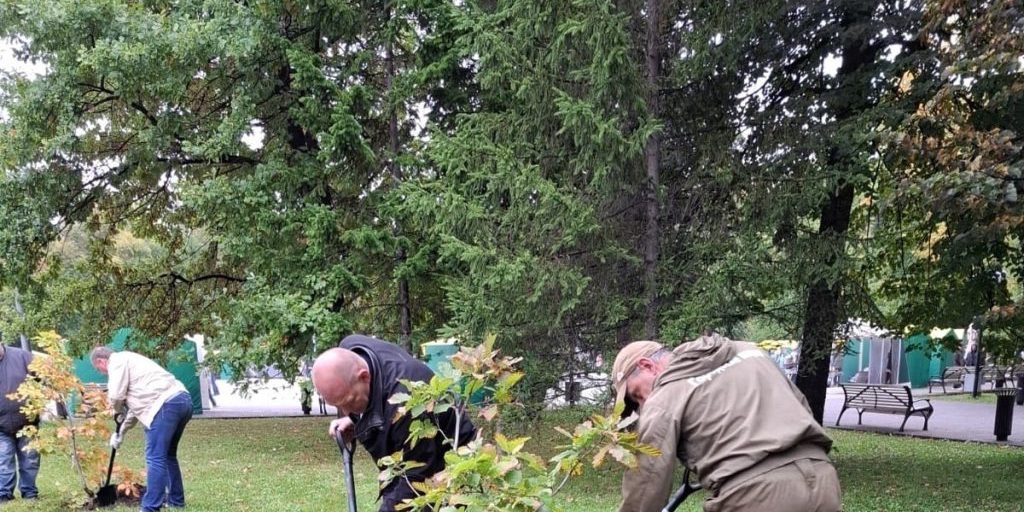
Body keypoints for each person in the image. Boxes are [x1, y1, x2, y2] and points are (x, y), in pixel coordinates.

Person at [612, 334, 841, 512]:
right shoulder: (750, 352)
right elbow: (801, 406)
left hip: (755, 497)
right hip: (822, 481)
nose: (643, 404)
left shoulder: (664, 396)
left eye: (636, 395)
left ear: (647, 366)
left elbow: (647, 481)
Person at [312, 334, 477, 512]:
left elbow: (413, 479)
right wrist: (354, 419)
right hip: (416, 455)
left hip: (453, 463)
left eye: (349, 401)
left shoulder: (406, 404)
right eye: (338, 405)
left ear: (364, 376)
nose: (345, 411)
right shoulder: (350, 347)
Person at [90, 347, 192, 512]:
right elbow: (134, 412)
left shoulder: (117, 361)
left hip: (165, 405)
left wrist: (116, 410)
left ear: (101, 361)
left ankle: (150, 507)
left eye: (98, 369)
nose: (102, 373)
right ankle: (176, 501)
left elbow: (116, 396)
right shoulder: (132, 363)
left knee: (155, 458)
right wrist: (120, 433)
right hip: (182, 401)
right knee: (168, 456)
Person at [0, 344, 40, 503]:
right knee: (3, 460)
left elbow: (44, 377)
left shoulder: (23, 356)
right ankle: (4, 494)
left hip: (27, 422)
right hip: (1, 426)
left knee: (30, 459)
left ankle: (29, 492)